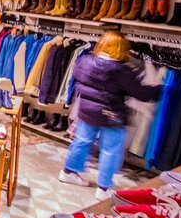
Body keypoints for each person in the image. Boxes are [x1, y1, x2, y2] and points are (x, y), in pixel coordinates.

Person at [59, 31, 161, 199]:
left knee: (82, 141)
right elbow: (142, 93)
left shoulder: (84, 60)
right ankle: (104, 188)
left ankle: (68, 171)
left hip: (87, 109)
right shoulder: (121, 70)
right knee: (110, 150)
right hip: (111, 114)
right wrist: (162, 88)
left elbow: (76, 77)